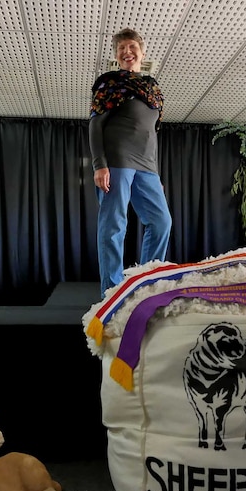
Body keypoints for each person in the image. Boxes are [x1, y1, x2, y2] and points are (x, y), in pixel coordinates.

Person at [89, 28, 172, 297]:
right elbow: (94, 125)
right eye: (121, 48)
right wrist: (99, 164)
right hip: (117, 161)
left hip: (147, 166)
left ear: (142, 52)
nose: (127, 52)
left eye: (132, 47)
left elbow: (151, 134)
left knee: (161, 222)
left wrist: (155, 172)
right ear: (116, 55)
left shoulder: (152, 88)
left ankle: (146, 283)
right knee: (114, 225)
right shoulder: (109, 83)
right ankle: (111, 291)